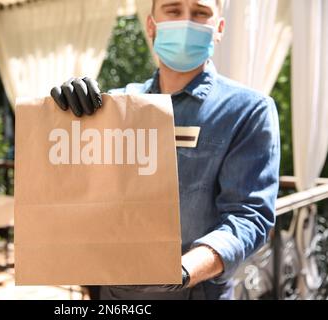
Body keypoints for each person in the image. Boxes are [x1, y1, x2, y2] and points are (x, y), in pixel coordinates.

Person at [50, 0, 280, 300]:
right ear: (151, 26)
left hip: (198, 292)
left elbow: (249, 216)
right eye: (173, 10)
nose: (186, 22)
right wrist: (65, 115)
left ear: (219, 28)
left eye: (200, 13)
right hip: (115, 294)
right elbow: (74, 184)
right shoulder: (115, 105)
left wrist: (181, 271)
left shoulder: (248, 111)